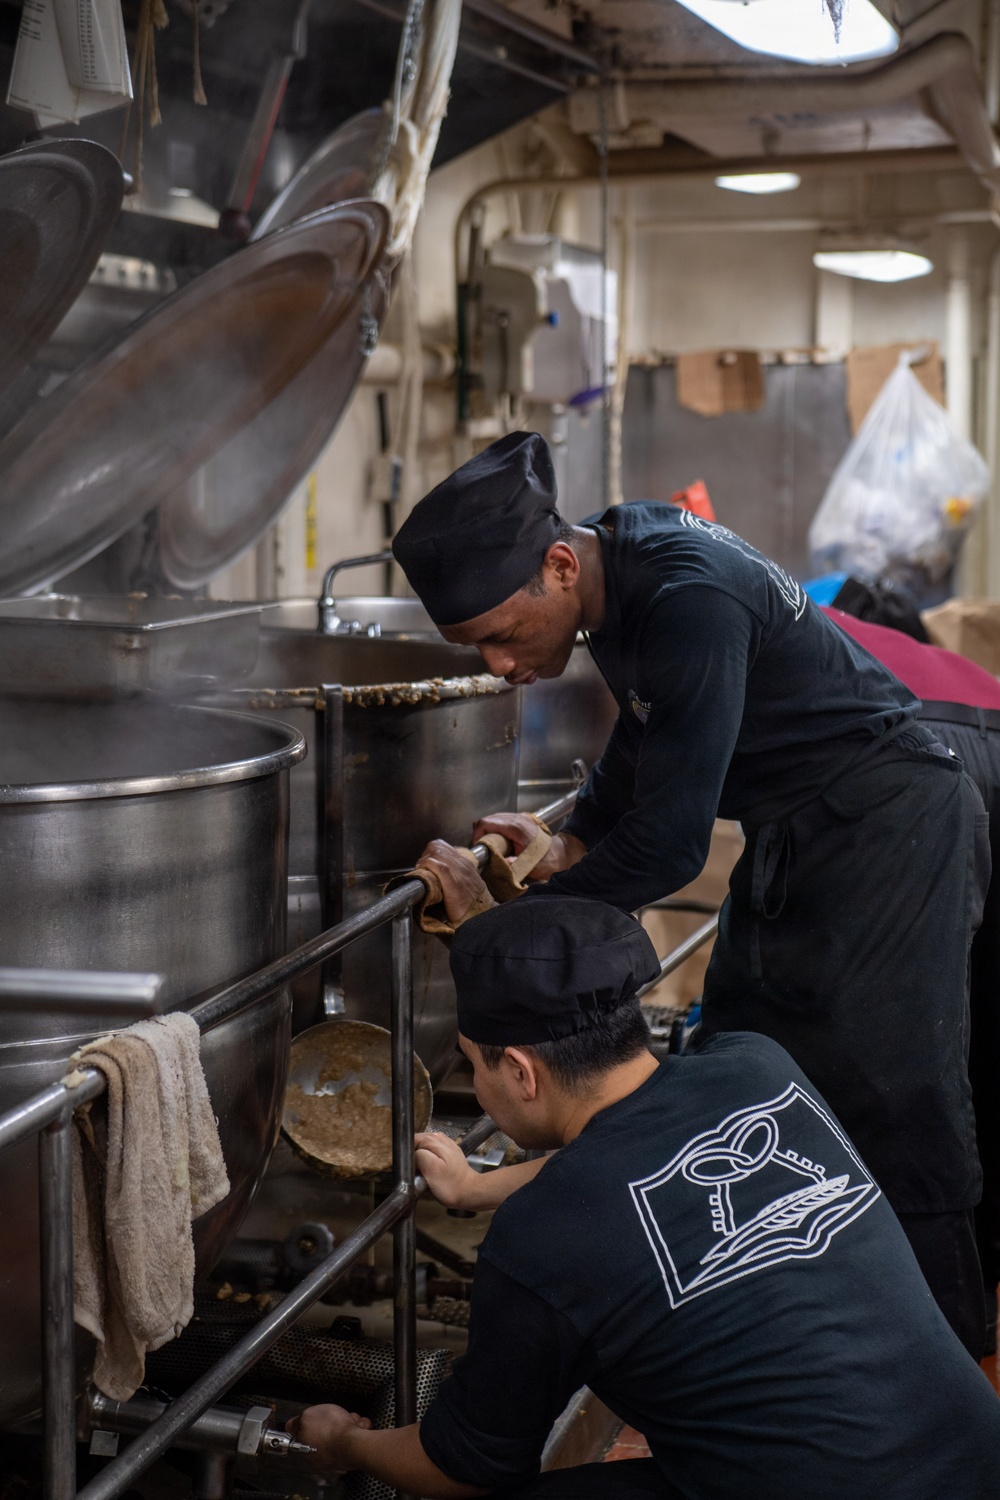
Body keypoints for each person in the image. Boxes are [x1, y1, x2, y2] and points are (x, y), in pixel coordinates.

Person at [391, 431, 990, 1356]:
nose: (499, 670)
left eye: (501, 638)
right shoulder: (619, 560)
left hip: (889, 822)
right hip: (806, 825)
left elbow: (669, 849)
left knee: (890, 1089)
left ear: (557, 566)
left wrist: (508, 924)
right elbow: (646, 732)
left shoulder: (686, 594)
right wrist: (567, 842)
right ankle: (784, 1313)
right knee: (745, 1052)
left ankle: (952, 1354)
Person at [287, 898, 1000, 1500]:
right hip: (968, 1454)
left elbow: (465, 1464)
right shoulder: (756, 1067)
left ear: (520, 1071)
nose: (477, 1089)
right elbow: (642, 1162)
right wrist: (477, 1189)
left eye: (472, 1066)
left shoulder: (538, 1243)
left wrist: (347, 1442)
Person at [823, 602, 1000, 1356]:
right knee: (979, 1029)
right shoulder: (796, 602)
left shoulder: (715, 627)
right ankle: (980, 1290)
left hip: (923, 751)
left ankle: (948, 1324)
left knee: (919, 1047)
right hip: (983, 731)